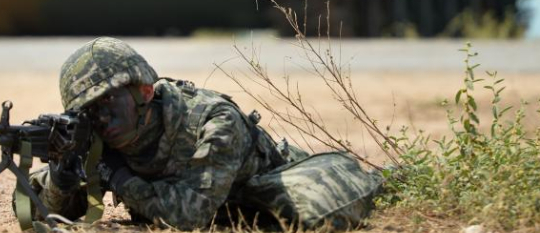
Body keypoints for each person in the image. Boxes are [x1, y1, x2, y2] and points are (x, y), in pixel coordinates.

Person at [25, 37, 381, 231]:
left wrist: (116, 176)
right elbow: (34, 210)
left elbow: (189, 216)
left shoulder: (213, 123)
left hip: (265, 185)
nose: (100, 117)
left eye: (108, 102)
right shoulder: (102, 135)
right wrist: (63, 177)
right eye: (88, 109)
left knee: (309, 215)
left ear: (145, 92)